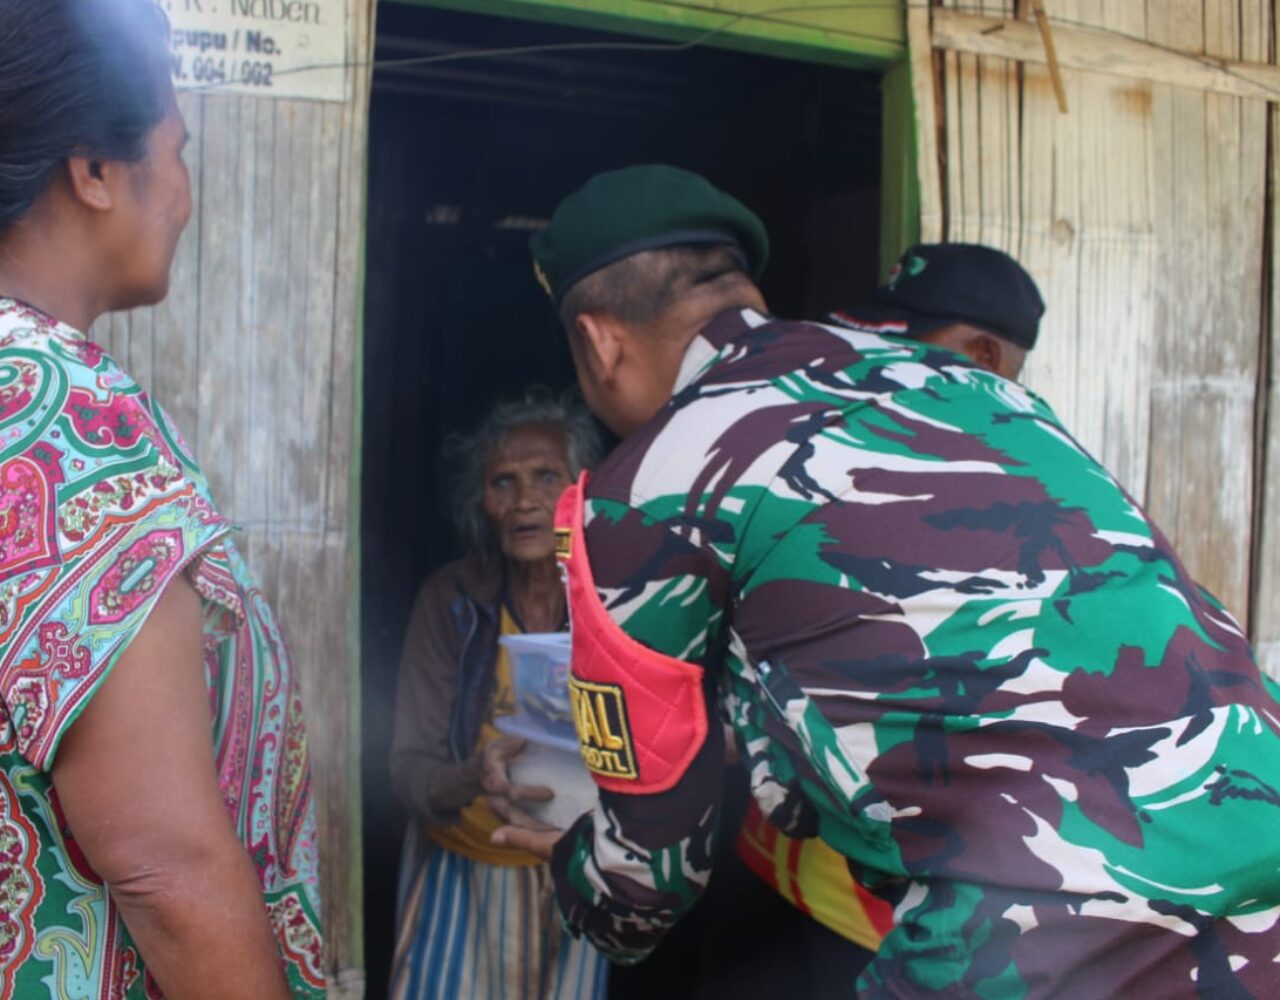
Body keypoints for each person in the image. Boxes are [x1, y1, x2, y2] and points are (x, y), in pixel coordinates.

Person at [495, 164, 1280, 996]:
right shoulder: (975, 388)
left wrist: (581, 872)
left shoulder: (643, 488)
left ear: (598, 341)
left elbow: (647, 876)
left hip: (1051, 928)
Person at [0, 2, 323, 998]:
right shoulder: (59, 413)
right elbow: (164, 865)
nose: (184, 195)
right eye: (176, 150)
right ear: (93, 170)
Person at [735, 241, 1049, 964]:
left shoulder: (1033, 512)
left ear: (984, 355)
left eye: (904, 348)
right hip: (767, 877)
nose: (874, 368)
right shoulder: (869, 464)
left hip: (873, 927)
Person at [388, 388, 607, 1000]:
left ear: (579, 487)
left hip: (577, 875)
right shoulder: (450, 600)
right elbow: (407, 770)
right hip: (462, 876)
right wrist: (473, 776)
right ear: (481, 502)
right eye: (502, 483)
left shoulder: (612, 601)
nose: (524, 501)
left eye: (545, 476)